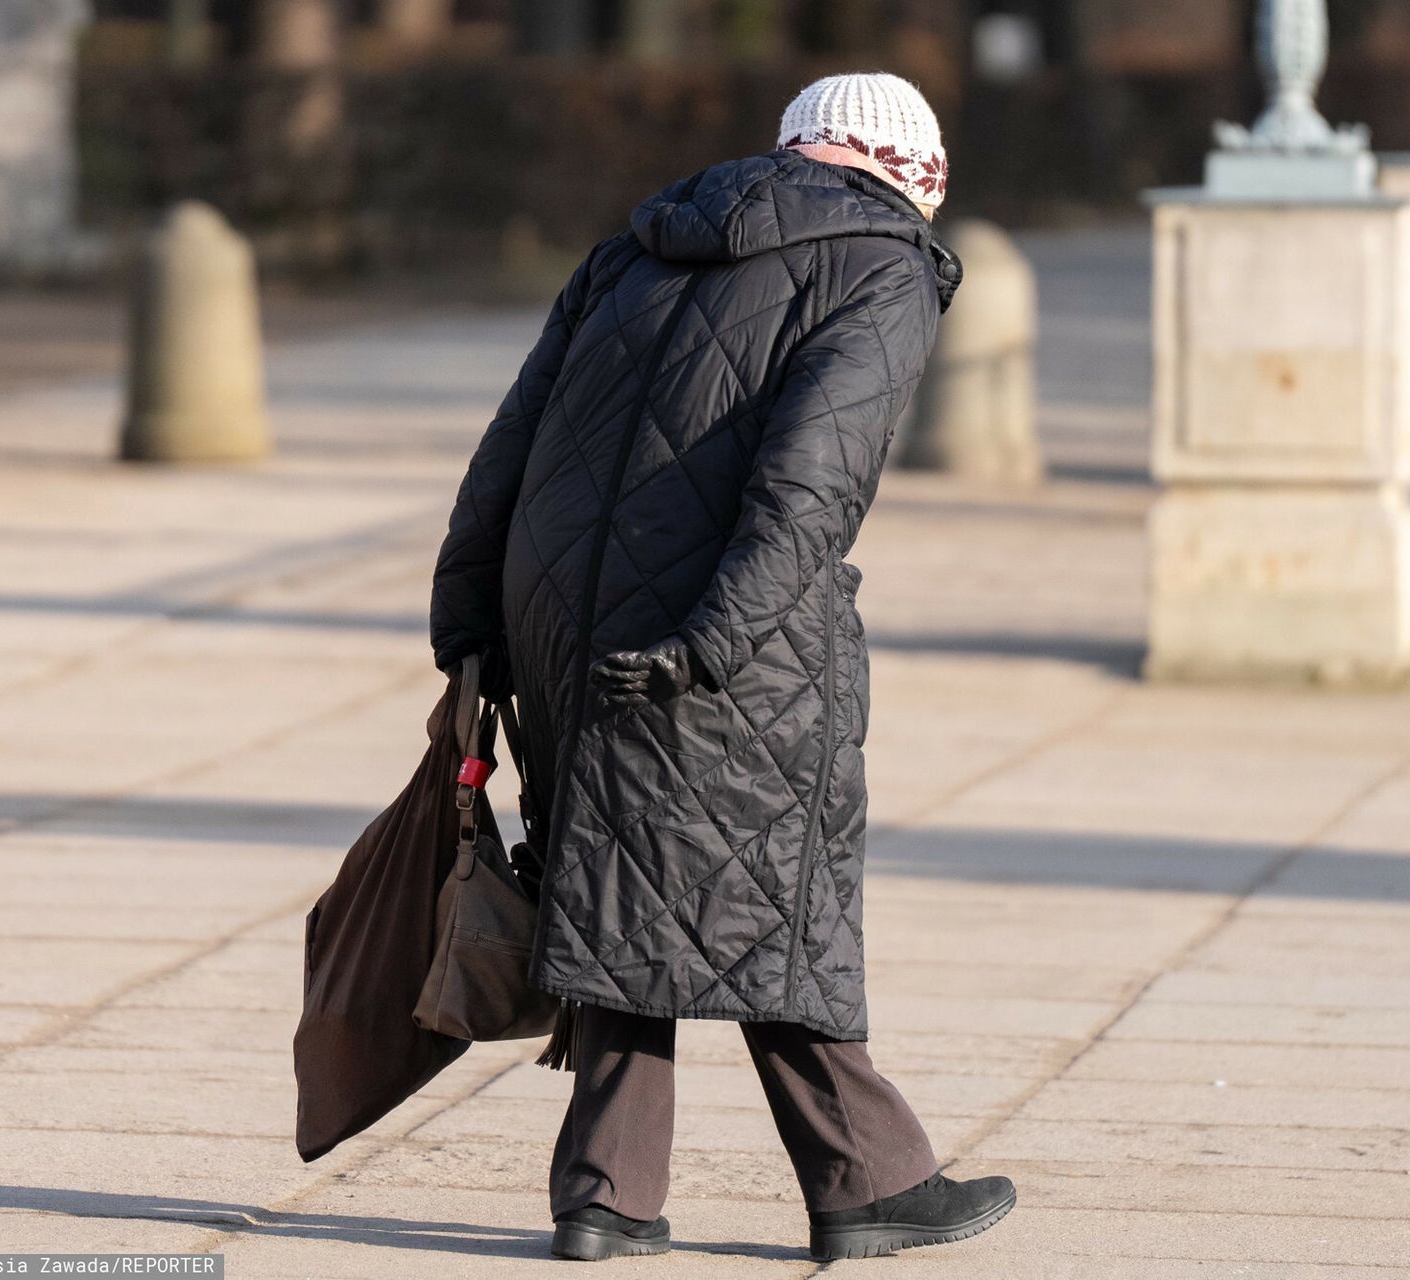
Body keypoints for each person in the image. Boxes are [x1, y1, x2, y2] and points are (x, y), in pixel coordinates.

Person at [429, 73, 1015, 1263]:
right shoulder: (883, 262)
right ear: (916, 174)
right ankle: (866, 1180)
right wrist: (719, 639)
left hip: (563, 615)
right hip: (724, 624)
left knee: (623, 872)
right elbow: (812, 482)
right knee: (769, 888)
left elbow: (512, 438)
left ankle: (605, 1192)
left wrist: (468, 621)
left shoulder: (633, 250)